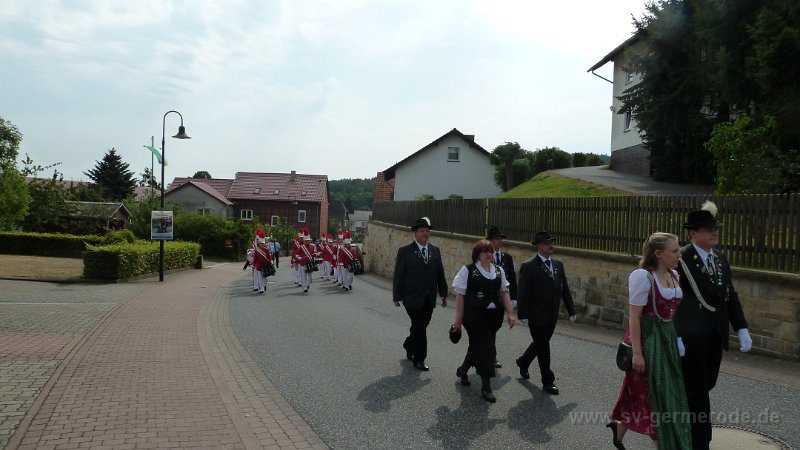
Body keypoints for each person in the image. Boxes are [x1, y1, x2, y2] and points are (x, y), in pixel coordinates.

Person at [674, 201, 751, 450]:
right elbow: (671, 299)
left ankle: (679, 426)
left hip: (714, 336)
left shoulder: (719, 258)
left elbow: (730, 295)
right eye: (707, 229)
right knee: (697, 392)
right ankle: (699, 442)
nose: (714, 232)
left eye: (715, 227)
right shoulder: (681, 258)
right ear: (693, 233)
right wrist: (675, 335)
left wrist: (741, 327)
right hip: (689, 339)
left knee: (704, 386)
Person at [607, 232, 692, 450]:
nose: (679, 255)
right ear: (658, 254)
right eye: (674, 251)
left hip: (667, 340)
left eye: (678, 249)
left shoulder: (675, 275)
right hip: (647, 341)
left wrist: (678, 337)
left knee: (646, 393)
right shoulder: (643, 277)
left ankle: (618, 428)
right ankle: (663, 443)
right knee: (654, 395)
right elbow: (635, 316)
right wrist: (637, 353)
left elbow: (673, 312)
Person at [451, 240, 517, 402]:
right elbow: (460, 296)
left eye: (491, 252)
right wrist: (458, 320)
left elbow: (504, 293)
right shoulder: (468, 270)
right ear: (477, 254)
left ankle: (463, 369)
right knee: (487, 348)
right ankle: (486, 387)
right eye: (485, 252)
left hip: (493, 317)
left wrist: (510, 313)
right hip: (473, 316)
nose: (489, 254)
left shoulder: (499, 270)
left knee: (477, 346)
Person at [515, 230, 576, 395]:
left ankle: (523, 361)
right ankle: (548, 381)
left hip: (551, 315)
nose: (551, 246)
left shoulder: (558, 265)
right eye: (547, 243)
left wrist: (571, 310)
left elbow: (565, 290)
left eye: (552, 242)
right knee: (544, 348)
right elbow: (523, 292)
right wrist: (523, 315)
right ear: (539, 246)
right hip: (535, 316)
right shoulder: (529, 266)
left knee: (540, 344)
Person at [393, 217, 448, 371]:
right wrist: (396, 296)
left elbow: (440, 274)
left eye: (427, 231)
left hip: (429, 297)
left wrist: (443, 293)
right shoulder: (405, 251)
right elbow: (399, 274)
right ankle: (419, 359)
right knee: (420, 327)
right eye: (422, 231)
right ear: (415, 233)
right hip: (411, 297)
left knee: (421, 325)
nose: (426, 233)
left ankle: (409, 344)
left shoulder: (435, 250)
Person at [487, 226, 518, 368]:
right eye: (497, 239)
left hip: (502, 299)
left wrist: (514, 298)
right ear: (490, 241)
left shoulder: (507, 258)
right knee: (489, 327)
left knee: (496, 325)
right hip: (487, 300)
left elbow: (512, 278)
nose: (500, 241)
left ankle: (486, 351)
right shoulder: (485, 255)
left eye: (501, 239)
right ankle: (491, 356)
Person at [251, 230, 273, 295]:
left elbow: (269, 257)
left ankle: (264, 286)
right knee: (260, 277)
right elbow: (255, 258)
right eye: (261, 244)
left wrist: (271, 261)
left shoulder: (266, 250)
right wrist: (253, 265)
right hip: (258, 266)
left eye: (263, 243)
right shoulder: (257, 251)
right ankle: (261, 289)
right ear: (259, 244)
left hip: (265, 265)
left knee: (264, 277)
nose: (262, 245)